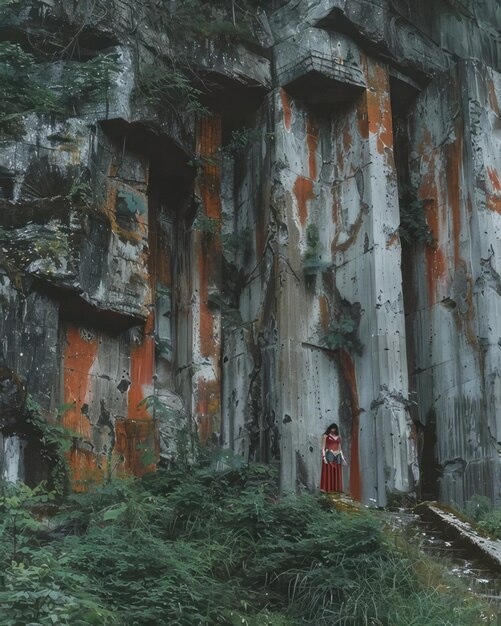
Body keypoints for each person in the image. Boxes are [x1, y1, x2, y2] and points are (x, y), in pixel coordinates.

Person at [320, 423, 347, 493]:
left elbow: (340, 449)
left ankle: (336, 490)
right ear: (330, 428)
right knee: (328, 473)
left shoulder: (338, 437)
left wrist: (343, 459)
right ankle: (327, 490)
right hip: (329, 455)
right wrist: (324, 457)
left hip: (337, 456)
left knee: (337, 473)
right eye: (332, 428)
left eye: (334, 428)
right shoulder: (325, 436)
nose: (333, 430)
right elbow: (323, 448)